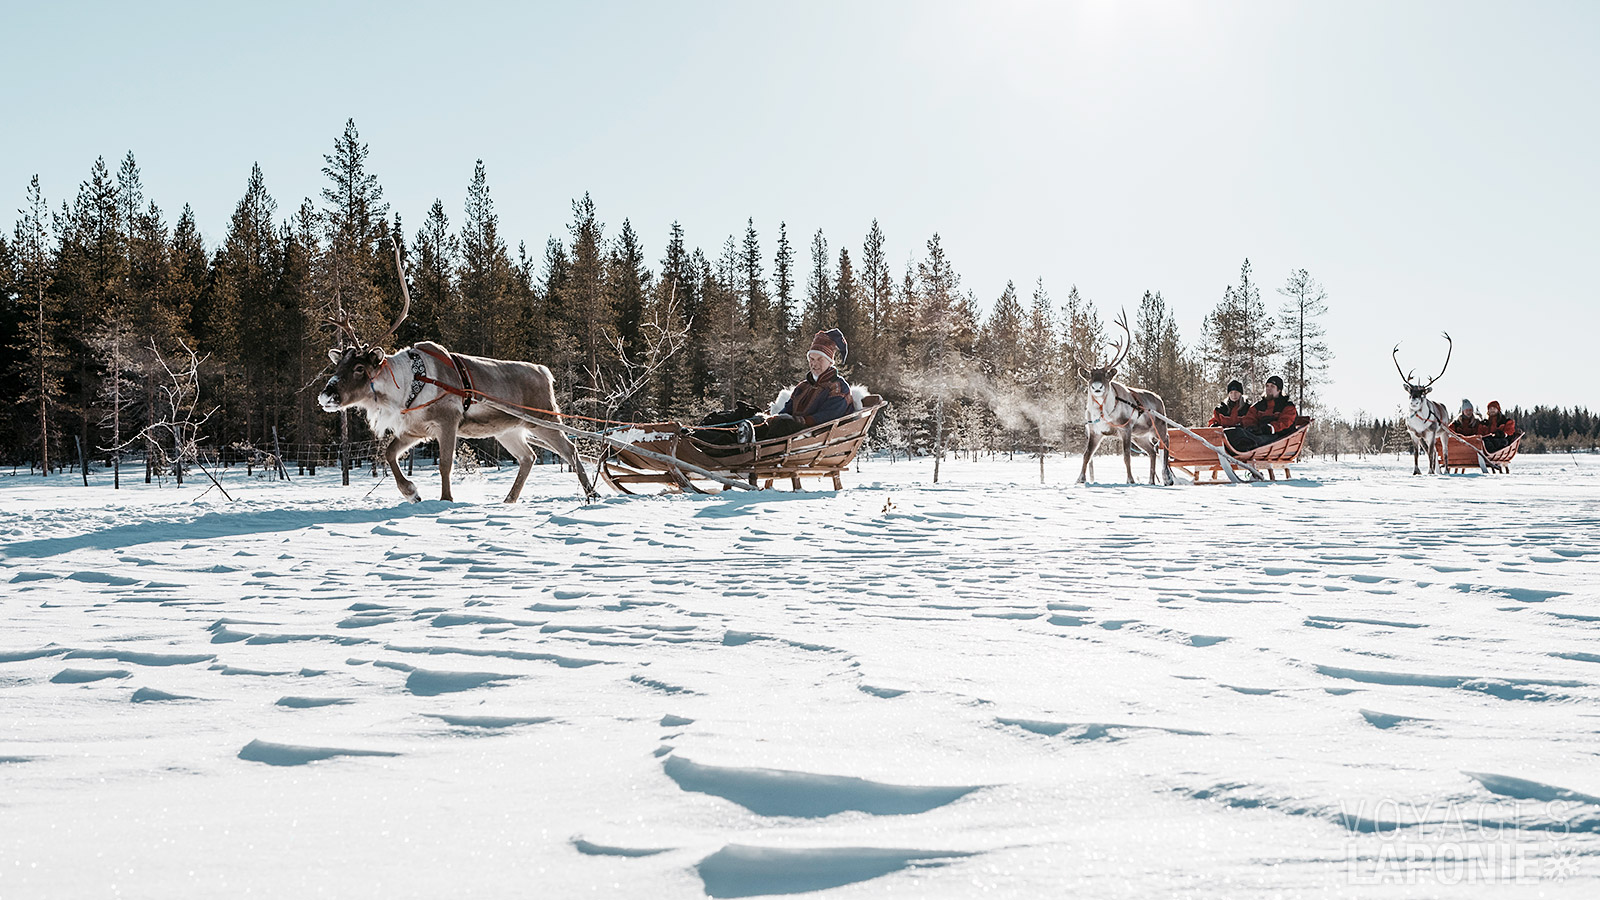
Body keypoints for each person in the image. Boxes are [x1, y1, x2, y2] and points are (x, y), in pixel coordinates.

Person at [687, 329, 854, 448]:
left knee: (780, 424)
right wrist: (774, 418)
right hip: (788, 428)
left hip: (810, 434)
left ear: (830, 362)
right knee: (752, 419)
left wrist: (797, 421)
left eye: (819, 359)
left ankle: (738, 440)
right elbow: (788, 408)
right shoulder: (803, 386)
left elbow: (829, 417)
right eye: (811, 358)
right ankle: (698, 436)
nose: (814, 363)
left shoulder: (838, 387)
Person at [1224, 375, 1300, 451]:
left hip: (1278, 438)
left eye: (1272, 386)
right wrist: (1251, 427)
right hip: (1259, 435)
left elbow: (1285, 422)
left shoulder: (1287, 406)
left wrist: (1269, 428)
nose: (1268, 389)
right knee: (1233, 432)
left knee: (1243, 436)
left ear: (1279, 390)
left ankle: (1241, 448)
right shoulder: (1258, 406)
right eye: (1267, 386)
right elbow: (1249, 418)